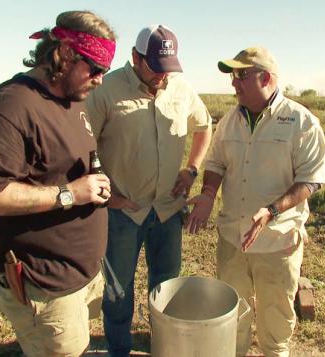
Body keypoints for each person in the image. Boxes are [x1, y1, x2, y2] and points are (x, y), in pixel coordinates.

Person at [0, 11, 116, 357]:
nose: (101, 79)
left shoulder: (70, 98)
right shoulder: (13, 107)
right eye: (95, 68)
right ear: (64, 52)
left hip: (76, 278)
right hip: (44, 284)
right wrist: (70, 194)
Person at [185, 46, 325, 357]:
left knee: (275, 324)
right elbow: (216, 163)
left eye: (241, 75)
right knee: (231, 316)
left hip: (277, 242)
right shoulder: (229, 121)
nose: (233, 83)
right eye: (233, 76)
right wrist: (209, 194)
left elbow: (311, 179)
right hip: (232, 239)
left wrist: (272, 210)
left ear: (266, 78)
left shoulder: (301, 122)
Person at [85, 24, 212, 357]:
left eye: (168, 68)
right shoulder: (106, 90)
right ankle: (119, 349)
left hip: (168, 210)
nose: (162, 76)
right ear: (135, 58)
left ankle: (164, 345)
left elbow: (204, 126)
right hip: (123, 211)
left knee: (167, 285)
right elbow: (81, 146)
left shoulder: (180, 87)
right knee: (117, 290)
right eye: (155, 67)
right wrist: (104, 192)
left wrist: (191, 169)